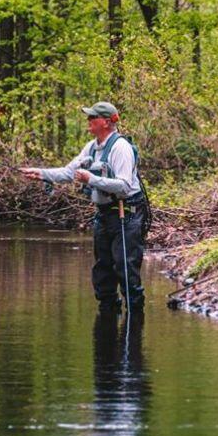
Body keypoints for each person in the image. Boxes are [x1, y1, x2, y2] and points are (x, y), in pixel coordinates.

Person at [20, 101, 146, 314]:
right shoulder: (91, 147)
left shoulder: (121, 148)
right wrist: (40, 173)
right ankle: (108, 317)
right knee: (103, 271)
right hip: (104, 216)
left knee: (125, 269)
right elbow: (68, 172)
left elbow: (124, 186)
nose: (88, 120)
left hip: (127, 214)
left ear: (106, 122)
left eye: (92, 117)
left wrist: (90, 179)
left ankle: (135, 319)